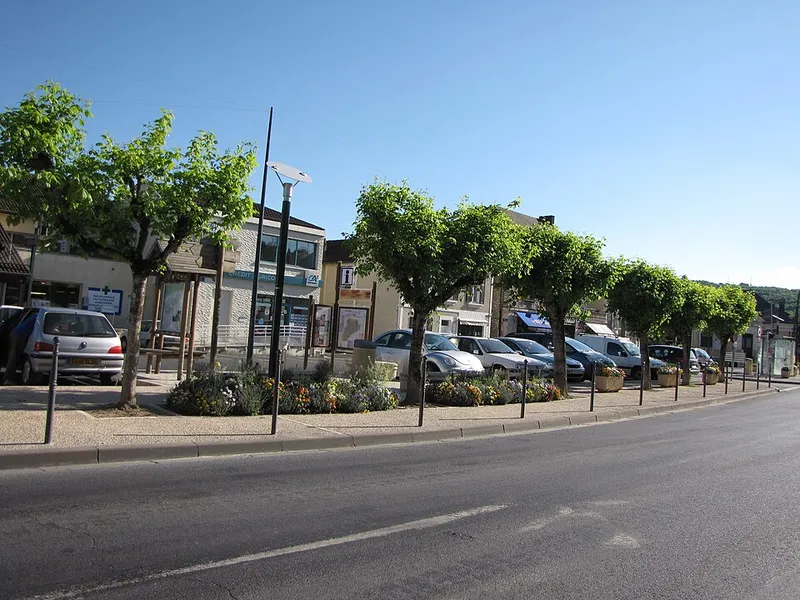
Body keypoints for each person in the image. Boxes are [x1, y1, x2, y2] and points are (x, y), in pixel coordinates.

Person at [4, 313, 37, 384]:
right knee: (14, 357)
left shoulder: (35, 315)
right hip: (20, 335)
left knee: (13, 356)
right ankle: (8, 379)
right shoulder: (39, 317)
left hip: (16, 332)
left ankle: (7, 377)